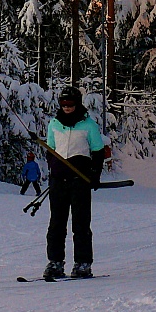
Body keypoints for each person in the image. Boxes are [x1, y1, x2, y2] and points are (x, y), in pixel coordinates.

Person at [42, 85, 105, 281]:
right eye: (63, 103)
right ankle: (55, 262)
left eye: (70, 103)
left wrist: (94, 174)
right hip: (59, 181)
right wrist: (54, 168)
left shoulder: (89, 125)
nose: (67, 107)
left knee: (81, 224)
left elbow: (98, 152)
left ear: (77, 104)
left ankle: (83, 263)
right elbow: (50, 149)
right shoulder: (54, 124)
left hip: (80, 181)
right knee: (56, 224)